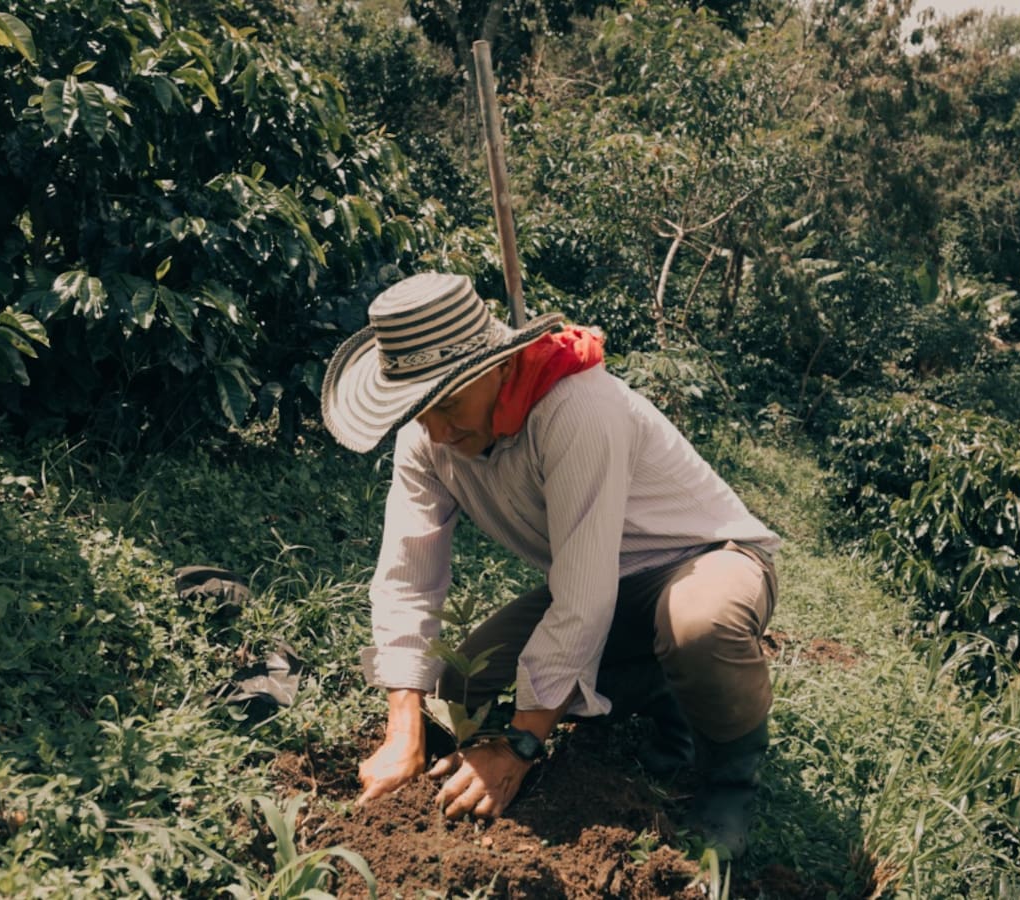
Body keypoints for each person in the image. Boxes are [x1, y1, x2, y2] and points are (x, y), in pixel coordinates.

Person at [320, 272, 780, 858]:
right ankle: (663, 688)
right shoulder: (428, 438)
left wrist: (517, 748)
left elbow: (582, 598)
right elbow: (408, 576)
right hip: (610, 581)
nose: (437, 429)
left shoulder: (576, 408)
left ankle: (729, 784)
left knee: (699, 626)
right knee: (464, 680)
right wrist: (402, 726)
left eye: (450, 402)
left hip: (705, 560)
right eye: (419, 409)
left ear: (498, 366)